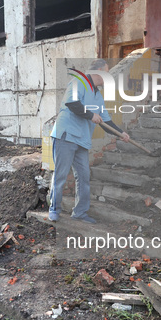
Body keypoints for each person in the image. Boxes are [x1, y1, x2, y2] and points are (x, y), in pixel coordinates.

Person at [48, 59, 130, 223]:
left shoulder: (97, 95)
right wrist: (91, 115)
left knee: (84, 177)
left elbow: (105, 121)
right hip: (66, 136)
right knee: (60, 175)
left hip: (82, 141)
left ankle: (79, 212)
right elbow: (72, 103)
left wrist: (121, 133)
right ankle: (54, 210)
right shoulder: (79, 81)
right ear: (99, 71)